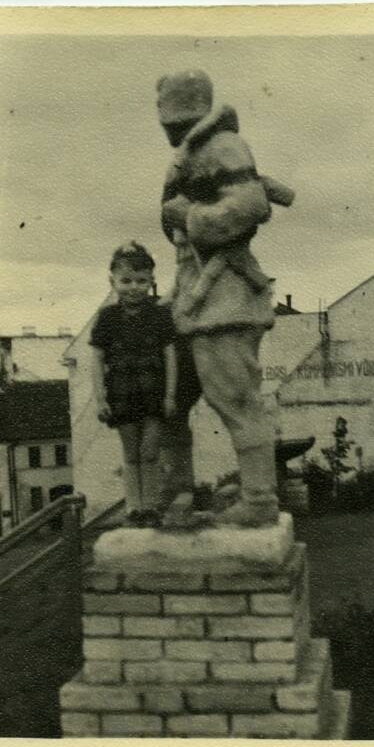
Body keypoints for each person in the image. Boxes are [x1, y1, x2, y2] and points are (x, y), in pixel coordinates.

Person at [156, 69, 294, 527]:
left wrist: (188, 216)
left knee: (236, 402)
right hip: (195, 301)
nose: (163, 123)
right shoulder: (196, 151)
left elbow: (250, 207)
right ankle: (178, 497)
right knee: (171, 400)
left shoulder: (222, 146)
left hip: (225, 302)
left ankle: (258, 500)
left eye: (167, 113)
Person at [90, 242, 177, 527]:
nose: (133, 287)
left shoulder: (160, 314)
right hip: (122, 392)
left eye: (141, 281)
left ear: (151, 281)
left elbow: (170, 356)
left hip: (153, 392)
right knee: (131, 452)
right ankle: (134, 508)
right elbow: (97, 359)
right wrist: (101, 399)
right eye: (126, 281)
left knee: (150, 451)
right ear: (112, 281)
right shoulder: (107, 318)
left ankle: (150, 507)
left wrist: (170, 395)